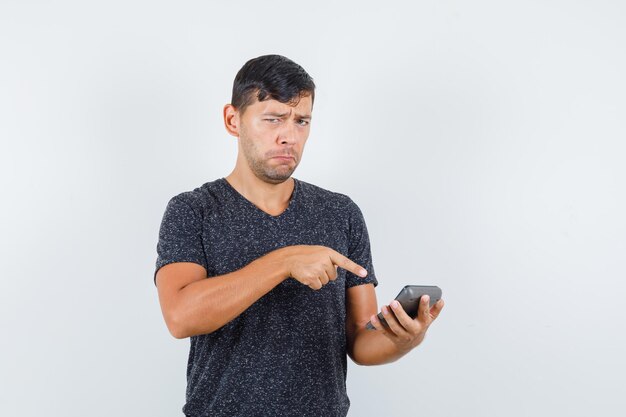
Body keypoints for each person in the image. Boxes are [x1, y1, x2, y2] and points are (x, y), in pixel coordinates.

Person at [153, 54, 444, 417]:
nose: (288, 135)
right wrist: (284, 261)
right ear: (233, 120)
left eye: (301, 120)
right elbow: (181, 316)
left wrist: (403, 340)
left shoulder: (340, 213)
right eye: (273, 118)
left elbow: (360, 339)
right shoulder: (193, 209)